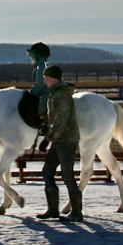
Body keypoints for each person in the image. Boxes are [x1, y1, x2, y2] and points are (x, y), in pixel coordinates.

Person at [36, 65, 83, 222]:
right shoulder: (54, 93)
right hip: (58, 140)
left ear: (53, 79)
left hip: (67, 140)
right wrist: (45, 122)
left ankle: (76, 212)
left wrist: (47, 138)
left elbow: (61, 120)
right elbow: (55, 117)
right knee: (47, 172)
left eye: (46, 78)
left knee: (67, 175)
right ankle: (53, 209)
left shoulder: (62, 95)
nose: (44, 80)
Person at [26, 42, 51, 132]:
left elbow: (40, 84)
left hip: (45, 92)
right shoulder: (39, 66)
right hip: (43, 90)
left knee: (42, 103)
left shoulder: (41, 67)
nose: (31, 59)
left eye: (32, 57)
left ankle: (43, 122)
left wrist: (32, 93)